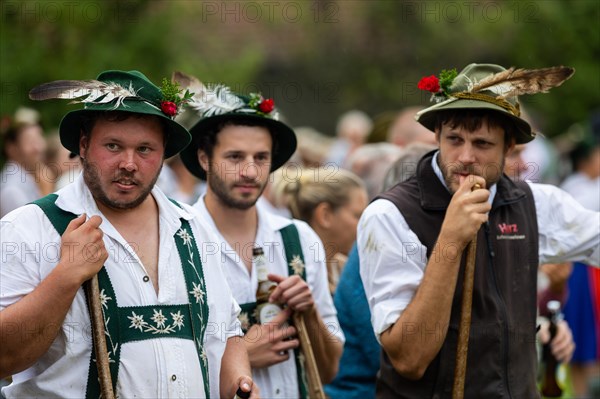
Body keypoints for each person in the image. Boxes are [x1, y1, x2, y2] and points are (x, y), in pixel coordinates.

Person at [0, 70, 255, 399]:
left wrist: (240, 383)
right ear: (83, 145)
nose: (129, 163)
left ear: (163, 154)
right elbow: (4, 357)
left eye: (145, 149)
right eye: (113, 146)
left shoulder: (193, 226)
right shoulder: (29, 228)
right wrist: (64, 277)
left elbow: (227, 331)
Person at [358, 63, 599, 398]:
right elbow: (410, 359)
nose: (466, 157)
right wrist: (450, 242)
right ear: (437, 135)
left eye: (483, 143)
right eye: (454, 139)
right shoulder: (390, 215)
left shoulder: (536, 204)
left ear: (510, 147)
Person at [179, 82, 344, 398]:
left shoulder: (299, 238)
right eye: (235, 157)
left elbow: (329, 370)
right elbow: (162, 369)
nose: (250, 171)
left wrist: (308, 313)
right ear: (204, 158)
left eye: (261, 157)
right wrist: (242, 356)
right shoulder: (179, 240)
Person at [276, 166, 367, 294]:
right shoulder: (298, 277)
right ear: (325, 215)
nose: (365, 225)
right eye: (357, 216)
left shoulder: (345, 269)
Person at [0, 107, 48, 217]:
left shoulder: (28, 178)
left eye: (39, 138)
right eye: (31, 141)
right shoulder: (11, 190)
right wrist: (47, 193)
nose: (39, 147)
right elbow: (33, 230)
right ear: (11, 148)